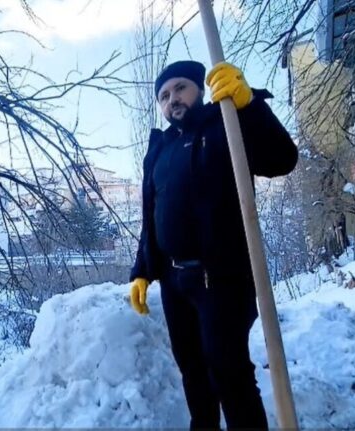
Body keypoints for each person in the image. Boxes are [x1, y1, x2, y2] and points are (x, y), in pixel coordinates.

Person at [128, 60, 298, 430]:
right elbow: (151, 215)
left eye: (180, 88)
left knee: (229, 372)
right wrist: (142, 270)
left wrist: (250, 106)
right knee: (193, 372)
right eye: (164, 95)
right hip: (175, 281)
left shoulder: (226, 123)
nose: (172, 99)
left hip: (221, 277)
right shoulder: (160, 149)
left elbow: (282, 159)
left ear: (199, 89)